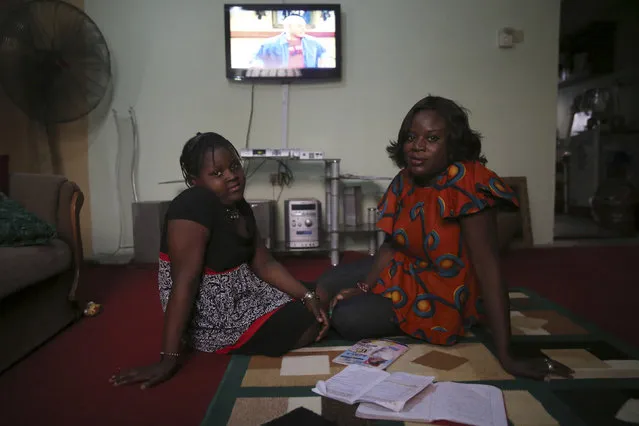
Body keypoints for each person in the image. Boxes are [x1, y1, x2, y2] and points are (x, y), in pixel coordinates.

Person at [318, 95, 574, 381]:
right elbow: (392, 244)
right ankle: (312, 306)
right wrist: (365, 287)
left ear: (452, 144)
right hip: (405, 268)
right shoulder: (405, 179)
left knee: (348, 318)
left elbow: (489, 270)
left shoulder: (467, 183)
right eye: (412, 137)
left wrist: (507, 354)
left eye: (433, 138)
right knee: (328, 281)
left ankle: (355, 313)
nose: (418, 146)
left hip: (442, 294)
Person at [110, 132, 329, 389]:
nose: (231, 175)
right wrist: (168, 358)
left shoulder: (239, 205)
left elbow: (265, 264)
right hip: (218, 318)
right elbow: (185, 282)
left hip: (246, 294)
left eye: (234, 166)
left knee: (319, 292)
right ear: (196, 181)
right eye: (217, 173)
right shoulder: (192, 205)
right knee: (313, 319)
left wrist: (307, 296)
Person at [250, 14, 332, 69]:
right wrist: (258, 66)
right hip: (279, 81)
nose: (304, 29)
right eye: (300, 26)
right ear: (288, 27)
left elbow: (324, 54)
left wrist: (325, 62)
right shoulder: (269, 44)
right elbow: (255, 59)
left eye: (304, 26)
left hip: (307, 81)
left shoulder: (313, 42)